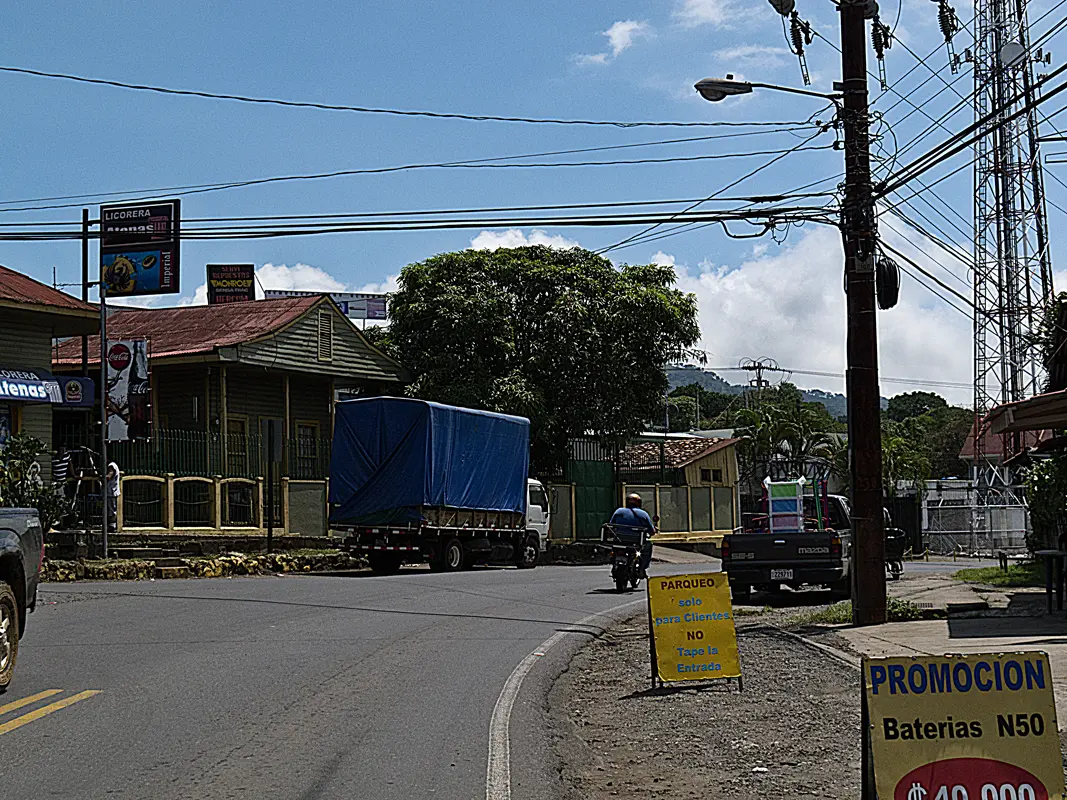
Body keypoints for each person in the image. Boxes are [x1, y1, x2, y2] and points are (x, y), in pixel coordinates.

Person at [609, 493, 656, 577]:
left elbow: (611, 525)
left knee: (615, 549)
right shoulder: (643, 514)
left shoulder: (618, 511)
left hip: (620, 540)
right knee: (648, 545)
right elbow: (651, 531)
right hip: (636, 542)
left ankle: (614, 564)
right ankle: (642, 569)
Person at [105, 461, 120, 533]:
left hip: (112, 492)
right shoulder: (113, 465)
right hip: (111, 491)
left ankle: (112, 525)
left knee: (112, 509)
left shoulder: (111, 465)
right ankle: (112, 525)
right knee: (111, 508)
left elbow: (109, 476)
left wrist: (102, 477)